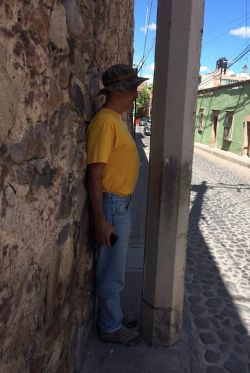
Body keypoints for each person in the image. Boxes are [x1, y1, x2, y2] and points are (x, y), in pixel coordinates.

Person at [87, 64, 148, 345]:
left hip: (120, 204)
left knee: (117, 268)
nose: (136, 93)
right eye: (134, 88)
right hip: (112, 206)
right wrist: (101, 220)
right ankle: (110, 327)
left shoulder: (116, 119)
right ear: (120, 91)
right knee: (112, 271)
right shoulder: (105, 122)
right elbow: (95, 172)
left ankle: (114, 315)